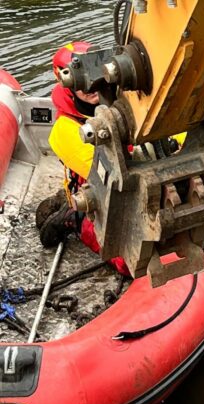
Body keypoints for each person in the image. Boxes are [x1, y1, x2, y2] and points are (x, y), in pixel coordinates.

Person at [37, 41, 130, 275]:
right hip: (97, 200)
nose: (89, 87)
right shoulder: (64, 131)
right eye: (81, 81)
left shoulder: (124, 102)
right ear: (66, 82)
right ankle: (73, 218)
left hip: (128, 177)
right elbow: (109, 178)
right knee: (127, 262)